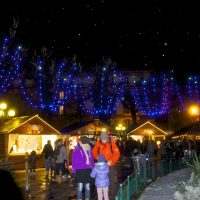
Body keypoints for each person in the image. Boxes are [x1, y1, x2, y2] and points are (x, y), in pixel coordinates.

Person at [92, 132, 120, 199]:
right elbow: (93, 152)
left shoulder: (111, 143)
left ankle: (110, 197)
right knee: (101, 183)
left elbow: (116, 153)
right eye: (103, 139)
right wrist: (98, 158)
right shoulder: (98, 144)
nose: (104, 140)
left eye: (105, 139)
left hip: (110, 167)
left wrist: (112, 161)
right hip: (101, 167)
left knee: (111, 183)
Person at [72, 136, 95, 200]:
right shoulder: (77, 149)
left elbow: (92, 160)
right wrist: (73, 171)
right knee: (80, 186)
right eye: (86, 143)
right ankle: (79, 198)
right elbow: (74, 161)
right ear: (82, 142)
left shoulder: (89, 148)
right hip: (80, 170)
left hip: (88, 170)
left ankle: (87, 198)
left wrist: (93, 169)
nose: (87, 144)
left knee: (87, 186)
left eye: (88, 143)